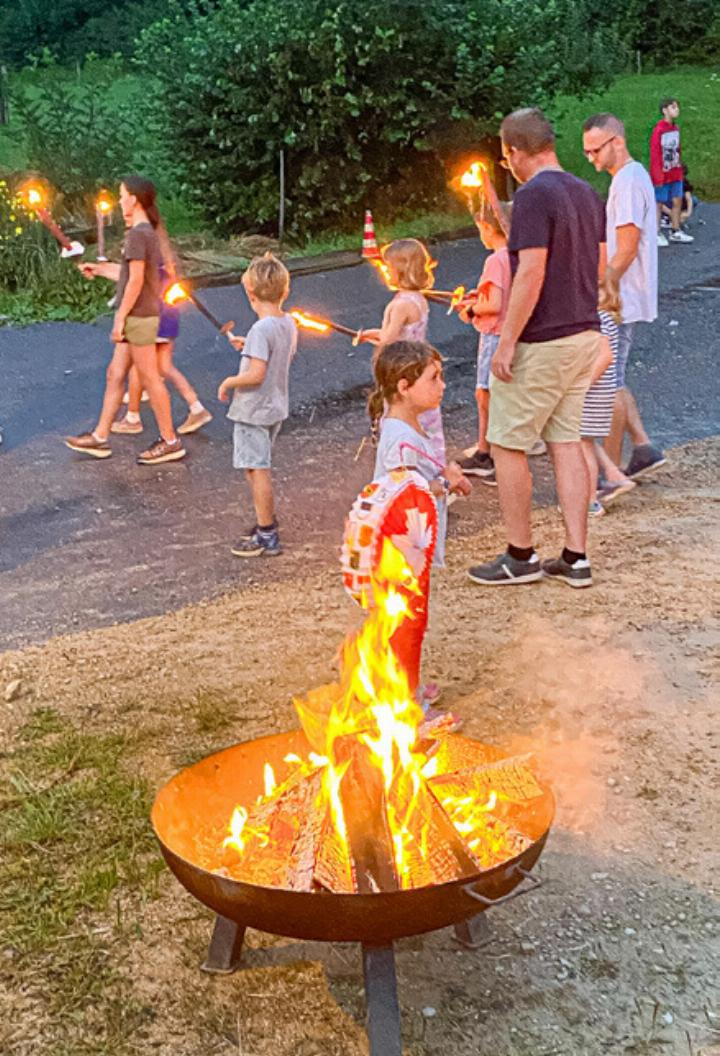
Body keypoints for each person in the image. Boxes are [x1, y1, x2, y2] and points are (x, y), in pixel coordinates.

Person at [467, 108, 606, 589]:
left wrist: (506, 341)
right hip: (584, 332)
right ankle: (576, 556)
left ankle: (520, 554)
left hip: (543, 339)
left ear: (515, 152)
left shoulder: (533, 195)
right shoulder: (587, 193)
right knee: (565, 440)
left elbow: (531, 271)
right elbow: (601, 266)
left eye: (507, 159)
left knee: (506, 442)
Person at [369, 340, 470, 695]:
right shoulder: (399, 437)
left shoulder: (404, 429)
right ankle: (404, 705)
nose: (442, 385)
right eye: (434, 378)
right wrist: (446, 482)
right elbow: (405, 493)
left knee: (411, 622)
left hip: (409, 550)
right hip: (400, 553)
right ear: (404, 387)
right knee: (405, 626)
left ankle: (404, 689)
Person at [65, 176, 186, 464]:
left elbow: (134, 284)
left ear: (134, 199)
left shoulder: (138, 235)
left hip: (139, 317)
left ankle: (170, 440)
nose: (119, 202)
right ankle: (100, 437)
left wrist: (119, 319)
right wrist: (101, 269)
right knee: (114, 373)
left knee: (149, 377)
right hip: (140, 315)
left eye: (122, 196)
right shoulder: (145, 233)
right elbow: (136, 275)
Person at [583, 112, 667, 479]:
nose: (591, 159)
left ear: (617, 140)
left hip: (623, 298)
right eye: (586, 152)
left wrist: (605, 288)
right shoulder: (626, 179)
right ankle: (644, 446)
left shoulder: (629, 181)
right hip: (625, 295)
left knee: (610, 383)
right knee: (615, 375)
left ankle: (611, 472)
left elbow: (627, 246)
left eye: (595, 150)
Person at [218, 253, 296, 557]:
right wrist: (248, 348)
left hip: (253, 410)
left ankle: (266, 533)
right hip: (275, 406)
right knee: (255, 466)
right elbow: (275, 355)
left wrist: (228, 382)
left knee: (258, 468)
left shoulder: (260, 330)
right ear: (285, 292)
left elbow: (255, 375)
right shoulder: (287, 322)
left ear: (250, 294)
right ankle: (266, 523)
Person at [358, 239, 446, 466]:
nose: (385, 272)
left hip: (400, 371)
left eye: (388, 267)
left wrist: (379, 337)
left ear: (401, 269)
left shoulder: (399, 305)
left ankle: (402, 467)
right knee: (425, 424)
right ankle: (433, 465)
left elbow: (388, 340)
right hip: (418, 367)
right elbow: (399, 332)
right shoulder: (418, 300)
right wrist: (374, 333)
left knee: (399, 419)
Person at [114, 255, 212, 437]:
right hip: (169, 316)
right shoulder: (158, 250)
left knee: (137, 365)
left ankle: (132, 418)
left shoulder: (143, 250)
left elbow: (133, 279)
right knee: (164, 367)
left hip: (153, 316)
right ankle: (196, 407)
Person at [457, 204, 512, 485]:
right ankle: (489, 451)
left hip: (494, 334)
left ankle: (487, 454)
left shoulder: (495, 260)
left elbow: (493, 304)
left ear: (489, 228)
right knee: (497, 395)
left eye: (480, 228)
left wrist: (470, 309)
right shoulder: (514, 256)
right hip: (509, 334)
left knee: (485, 394)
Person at [579, 312, 635, 515]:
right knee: (584, 439)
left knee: (582, 444)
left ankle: (590, 501)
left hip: (591, 394)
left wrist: (581, 386)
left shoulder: (596, 318)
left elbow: (605, 356)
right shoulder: (605, 317)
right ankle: (613, 474)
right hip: (598, 392)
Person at [649, 97, 693, 246]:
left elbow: (677, 149)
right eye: (673, 107)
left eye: (677, 107)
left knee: (677, 200)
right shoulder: (659, 130)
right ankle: (656, 232)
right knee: (659, 202)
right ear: (665, 110)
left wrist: (679, 167)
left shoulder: (675, 129)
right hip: (662, 173)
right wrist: (657, 174)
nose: (677, 110)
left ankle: (675, 230)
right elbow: (655, 153)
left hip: (675, 171)